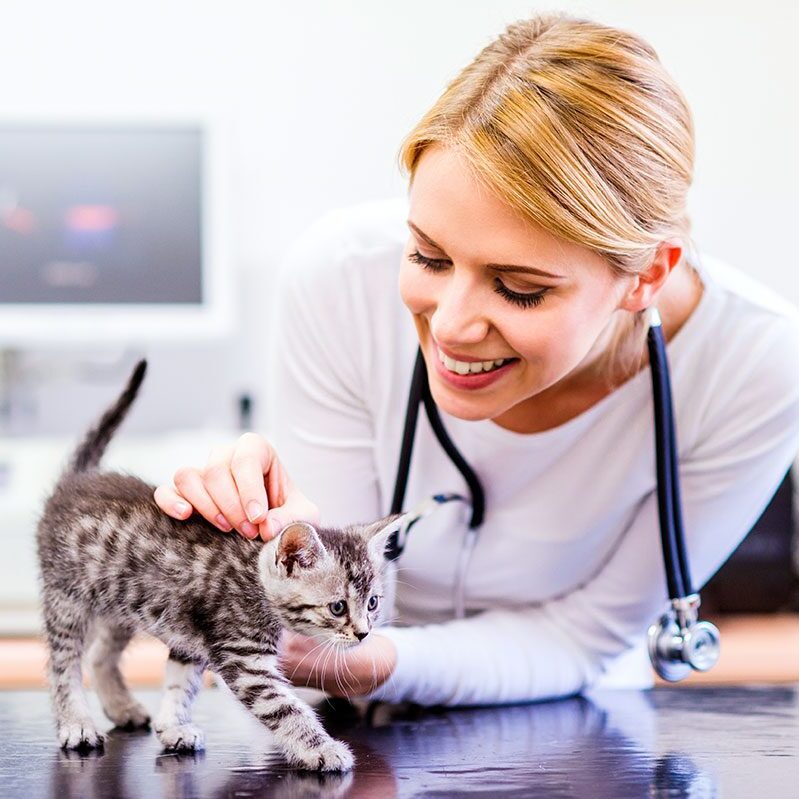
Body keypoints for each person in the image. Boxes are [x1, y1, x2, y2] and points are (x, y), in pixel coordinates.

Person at [154, 12, 799, 706]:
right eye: (427, 256)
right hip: (354, 731)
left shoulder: (755, 366)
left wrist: (382, 662)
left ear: (644, 276)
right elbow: (324, 616)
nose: (453, 326)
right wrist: (263, 537)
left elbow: (586, 635)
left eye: (519, 289)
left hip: (578, 734)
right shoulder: (338, 278)